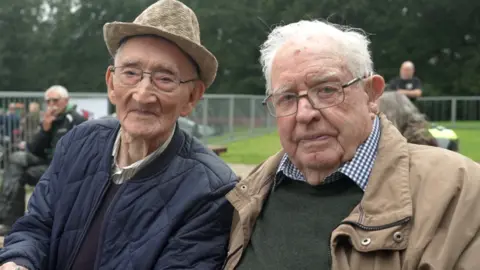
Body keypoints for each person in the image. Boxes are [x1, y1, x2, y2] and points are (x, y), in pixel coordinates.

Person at [224, 20, 480, 270]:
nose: (304, 113)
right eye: (287, 97)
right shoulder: (247, 193)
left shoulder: (459, 190)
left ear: (371, 94)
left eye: (325, 90)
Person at [0, 0, 237, 269]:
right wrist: (18, 262)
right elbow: (36, 225)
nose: (143, 94)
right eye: (131, 73)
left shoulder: (211, 191)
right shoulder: (78, 142)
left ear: (192, 97)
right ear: (112, 84)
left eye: (165, 78)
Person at [0, 85, 86, 236]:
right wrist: (44, 130)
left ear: (66, 101)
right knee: (16, 160)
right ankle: (10, 220)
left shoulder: (76, 120)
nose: (52, 105)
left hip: (66, 169)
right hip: (47, 165)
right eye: (48, 101)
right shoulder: (49, 120)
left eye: (55, 101)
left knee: (22, 172)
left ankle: (9, 220)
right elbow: (33, 150)